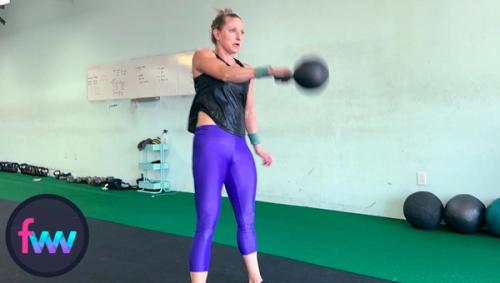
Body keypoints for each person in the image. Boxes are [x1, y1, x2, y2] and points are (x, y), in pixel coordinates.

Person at [187, 8, 292, 283]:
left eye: (242, 32)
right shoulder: (203, 56)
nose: (239, 36)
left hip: (239, 146)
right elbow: (224, 74)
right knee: (207, 221)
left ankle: (255, 279)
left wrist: (258, 146)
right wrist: (266, 71)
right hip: (211, 143)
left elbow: (249, 113)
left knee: (247, 219)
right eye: (233, 30)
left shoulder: (246, 72)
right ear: (217, 33)